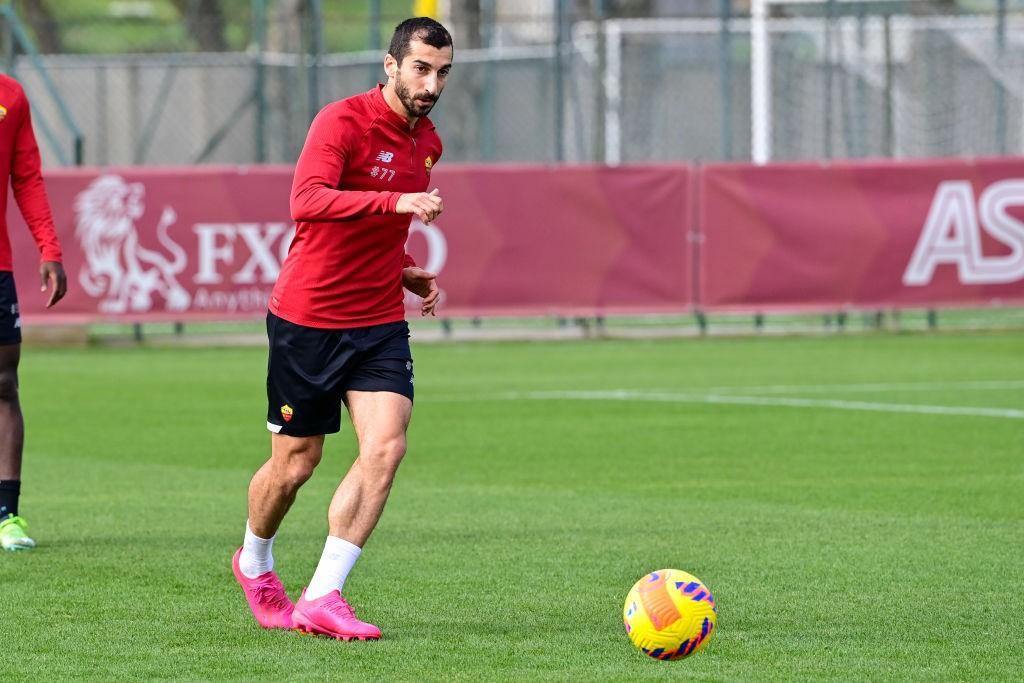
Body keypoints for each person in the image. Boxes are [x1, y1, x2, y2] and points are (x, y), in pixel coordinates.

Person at [232, 17, 452, 640]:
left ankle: (324, 595)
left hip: (379, 319)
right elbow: (308, 200)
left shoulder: (428, 141)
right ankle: (254, 562)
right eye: (421, 69)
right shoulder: (341, 122)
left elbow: (381, 230)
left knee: (386, 446)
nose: (431, 84)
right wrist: (397, 202)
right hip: (309, 318)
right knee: (296, 464)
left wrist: (407, 271)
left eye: (442, 73)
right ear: (390, 66)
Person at [0, 74, 68, 552]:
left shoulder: (10, 95)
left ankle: (7, 514)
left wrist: (49, 248)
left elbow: (25, 176)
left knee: (4, 383)